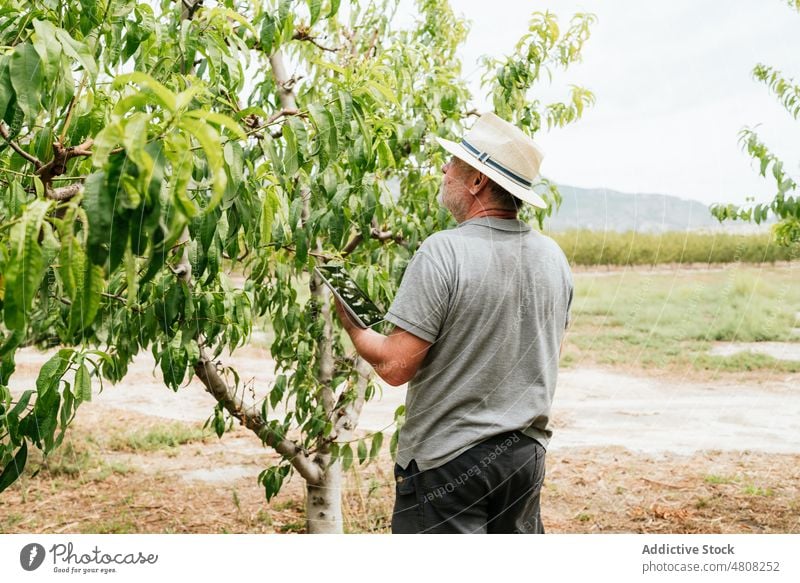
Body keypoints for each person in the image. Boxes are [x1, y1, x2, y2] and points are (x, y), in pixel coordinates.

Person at [331, 112, 573, 534]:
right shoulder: (553, 257)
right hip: (524, 456)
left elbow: (394, 366)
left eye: (455, 163)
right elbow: (546, 353)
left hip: (449, 463)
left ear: (477, 181)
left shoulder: (443, 252)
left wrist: (353, 326)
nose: (445, 170)